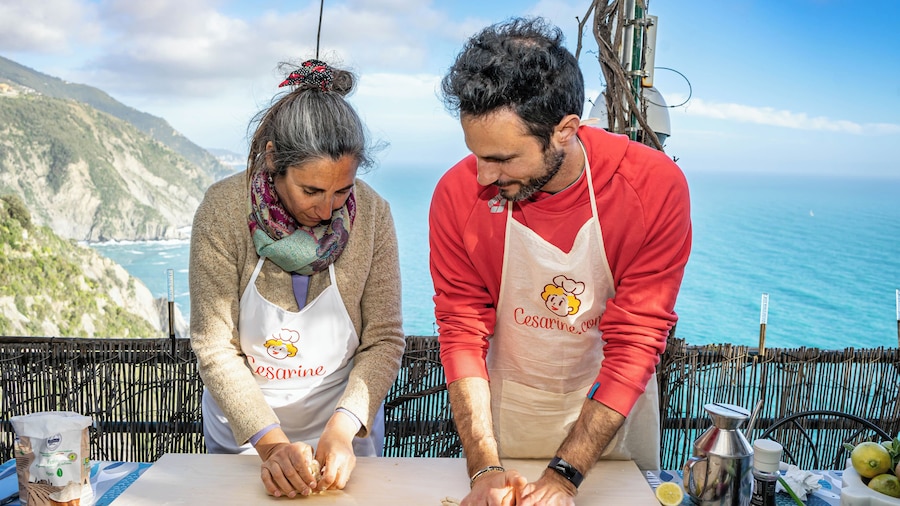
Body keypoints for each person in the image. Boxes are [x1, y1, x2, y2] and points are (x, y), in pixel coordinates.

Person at [429, 18, 692, 505]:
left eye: (503, 159)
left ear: (565, 131)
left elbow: (636, 340)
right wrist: (484, 466)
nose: (483, 176)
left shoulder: (652, 187)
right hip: (509, 422)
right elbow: (461, 328)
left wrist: (564, 476)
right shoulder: (456, 194)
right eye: (477, 155)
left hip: (613, 424)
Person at [189, 59, 405, 499]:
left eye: (342, 191)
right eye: (311, 191)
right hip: (248, 436)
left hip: (342, 429)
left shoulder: (374, 214)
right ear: (273, 160)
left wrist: (343, 429)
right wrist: (271, 445)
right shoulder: (222, 210)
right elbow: (214, 345)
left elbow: (384, 339)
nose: (327, 210)